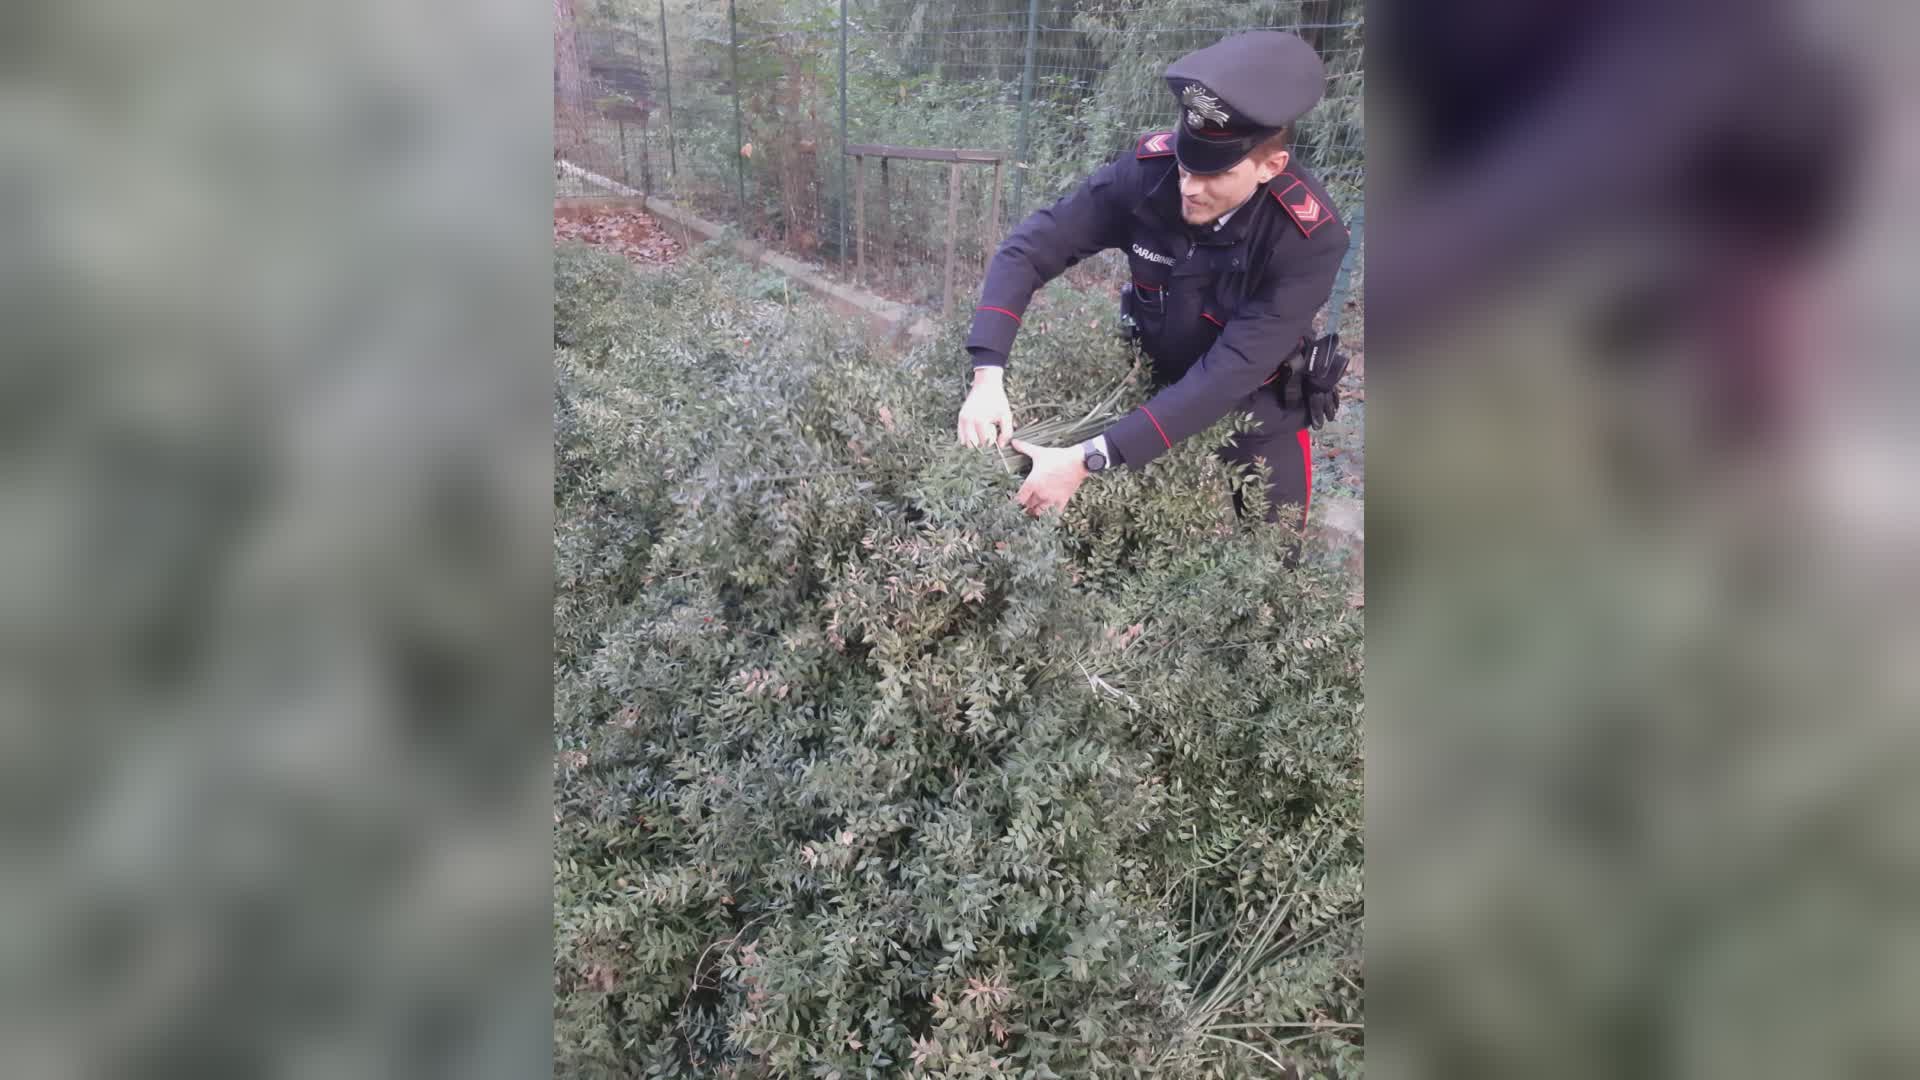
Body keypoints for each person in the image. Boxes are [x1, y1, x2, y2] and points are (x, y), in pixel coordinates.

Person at [956, 30, 1351, 528]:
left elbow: (1227, 375)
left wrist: (1088, 459)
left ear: (1270, 166)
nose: (1189, 188)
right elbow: (1030, 249)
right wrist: (987, 374)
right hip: (1153, 385)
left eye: (1214, 176)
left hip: (1257, 406)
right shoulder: (1148, 175)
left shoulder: (1308, 237)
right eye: (1187, 165)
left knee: (1273, 550)